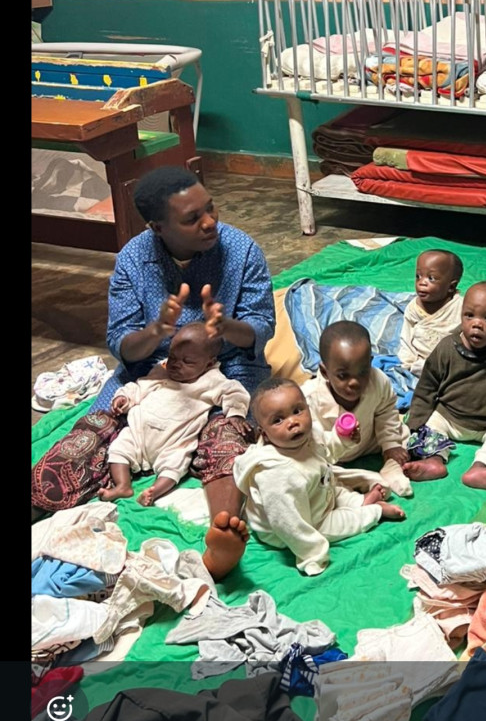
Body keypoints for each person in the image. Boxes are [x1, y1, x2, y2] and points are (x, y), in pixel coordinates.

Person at [30, 166, 276, 580]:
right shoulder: (134, 258)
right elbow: (122, 345)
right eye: (192, 218)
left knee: (228, 435)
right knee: (92, 432)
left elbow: (262, 327)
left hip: (229, 367)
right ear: (158, 227)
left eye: (210, 208)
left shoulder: (241, 250)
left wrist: (227, 328)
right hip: (150, 371)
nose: (210, 222)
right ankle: (38, 504)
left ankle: (223, 536)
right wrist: (155, 332)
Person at [234, 379, 405, 576]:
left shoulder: (310, 434)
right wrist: (312, 554)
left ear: (308, 408)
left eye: (297, 411)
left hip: (318, 491)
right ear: (263, 433)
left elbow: (326, 449)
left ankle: (360, 501)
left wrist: (342, 438)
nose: (292, 422)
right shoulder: (276, 474)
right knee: (338, 523)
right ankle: (374, 511)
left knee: (338, 490)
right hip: (290, 525)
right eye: (278, 420)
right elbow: (289, 524)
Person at [99, 324, 251, 506]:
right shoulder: (162, 370)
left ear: (209, 363)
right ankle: (122, 485)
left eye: (187, 362)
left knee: (177, 464)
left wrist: (235, 414)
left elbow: (235, 392)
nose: (176, 365)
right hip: (138, 433)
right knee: (118, 448)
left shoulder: (212, 380)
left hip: (174, 441)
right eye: (172, 357)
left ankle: (154, 491)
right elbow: (139, 386)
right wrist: (124, 398)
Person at [404, 281, 486, 491]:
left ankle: (480, 468)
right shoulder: (447, 347)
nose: (476, 324)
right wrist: (415, 421)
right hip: (448, 417)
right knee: (429, 428)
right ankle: (433, 460)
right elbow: (427, 386)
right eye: (469, 315)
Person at [302, 321, 413, 497]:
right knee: (312, 469)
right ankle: (365, 482)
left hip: (370, 441)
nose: (354, 382)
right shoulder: (309, 399)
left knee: (405, 435)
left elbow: (386, 412)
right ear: (324, 372)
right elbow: (313, 439)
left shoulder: (378, 381)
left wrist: (390, 445)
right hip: (332, 455)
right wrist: (335, 445)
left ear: (370, 363)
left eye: (362, 372)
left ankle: (391, 465)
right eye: (343, 375)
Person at [397, 248, 464, 376]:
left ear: (451, 286)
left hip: (450, 361)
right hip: (421, 360)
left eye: (431, 278)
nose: (422, 283)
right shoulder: (414, 307)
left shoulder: (460, 307)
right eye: (418, 276)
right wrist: (408, 361)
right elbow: (406, 336)